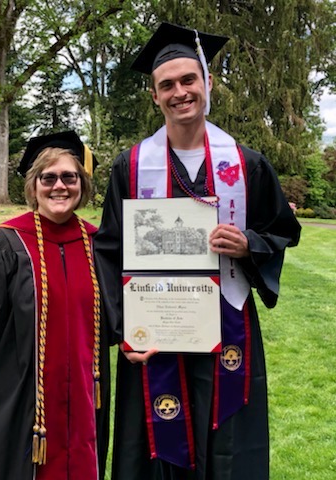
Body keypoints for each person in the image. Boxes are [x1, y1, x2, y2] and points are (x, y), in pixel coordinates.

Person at [94, 22, 301, 480]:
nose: (179, 92)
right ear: (154, 95)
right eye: (166, 84)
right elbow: (108, 250)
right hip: (154, 331)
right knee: (154, 432)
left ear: (207, 83)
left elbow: (283, 230)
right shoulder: (130, 166)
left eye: (189, 80)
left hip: (226, 326)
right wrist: (127, 327)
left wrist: (250, 245)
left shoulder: (246, 163)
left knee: (226, 433)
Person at [0, 131, 110, 480]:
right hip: (16, 407)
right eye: (49, 178)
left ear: (82, 185)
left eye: (70, 177)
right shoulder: (1, 244)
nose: (60, 186)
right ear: (33, 186)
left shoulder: (96, 244)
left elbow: (118, 320)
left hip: (85, 404)